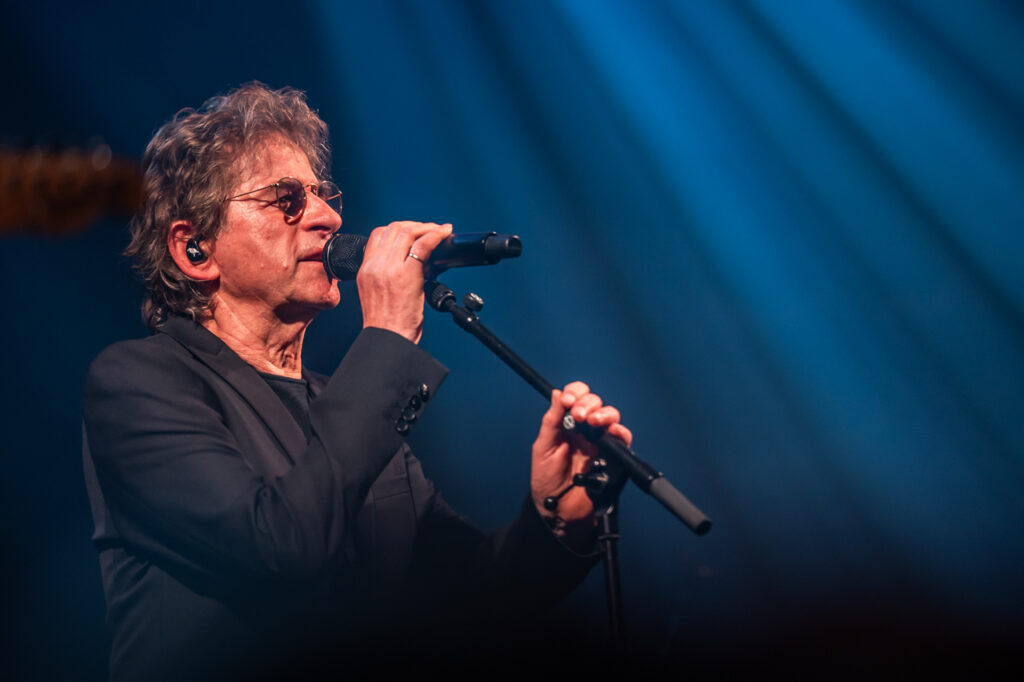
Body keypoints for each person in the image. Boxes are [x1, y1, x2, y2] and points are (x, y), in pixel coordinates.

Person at [82, 82, 632, 680]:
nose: (329, 216)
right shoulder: (137, 382)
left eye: (323, 194)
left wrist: (554, 518)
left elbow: (471, 600)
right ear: (195, 250)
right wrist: (389, 337)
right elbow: (280, 546)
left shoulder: (345, 405)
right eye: (287, 199)